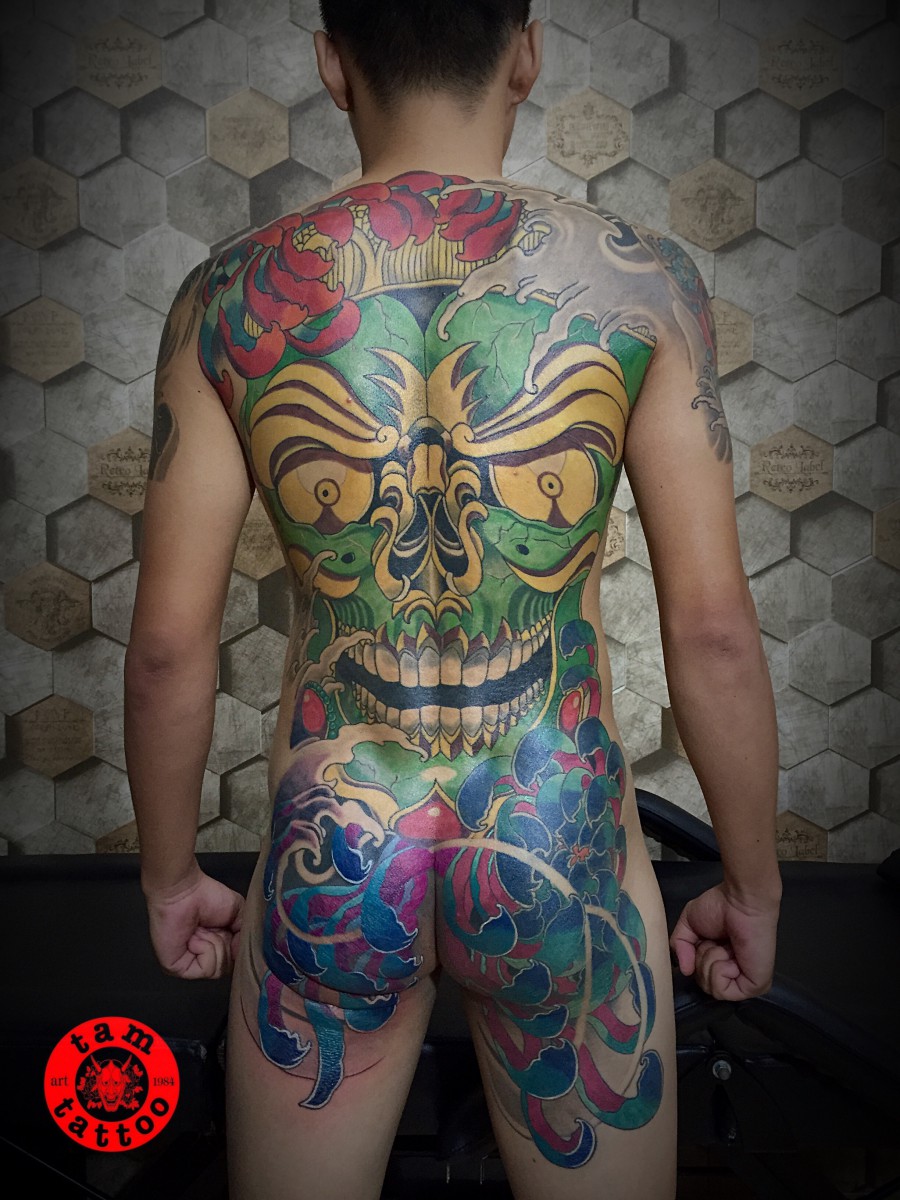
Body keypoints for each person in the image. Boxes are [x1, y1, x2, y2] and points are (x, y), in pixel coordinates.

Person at [123, 3, 782, 1197]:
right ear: (526, 52)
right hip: (558, 835)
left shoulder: (225, 297)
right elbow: (715, 632)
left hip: (339, 847)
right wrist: (751, 884)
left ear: (333, 63)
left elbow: (169, 646)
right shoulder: (641, 285)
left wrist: (170, 877)